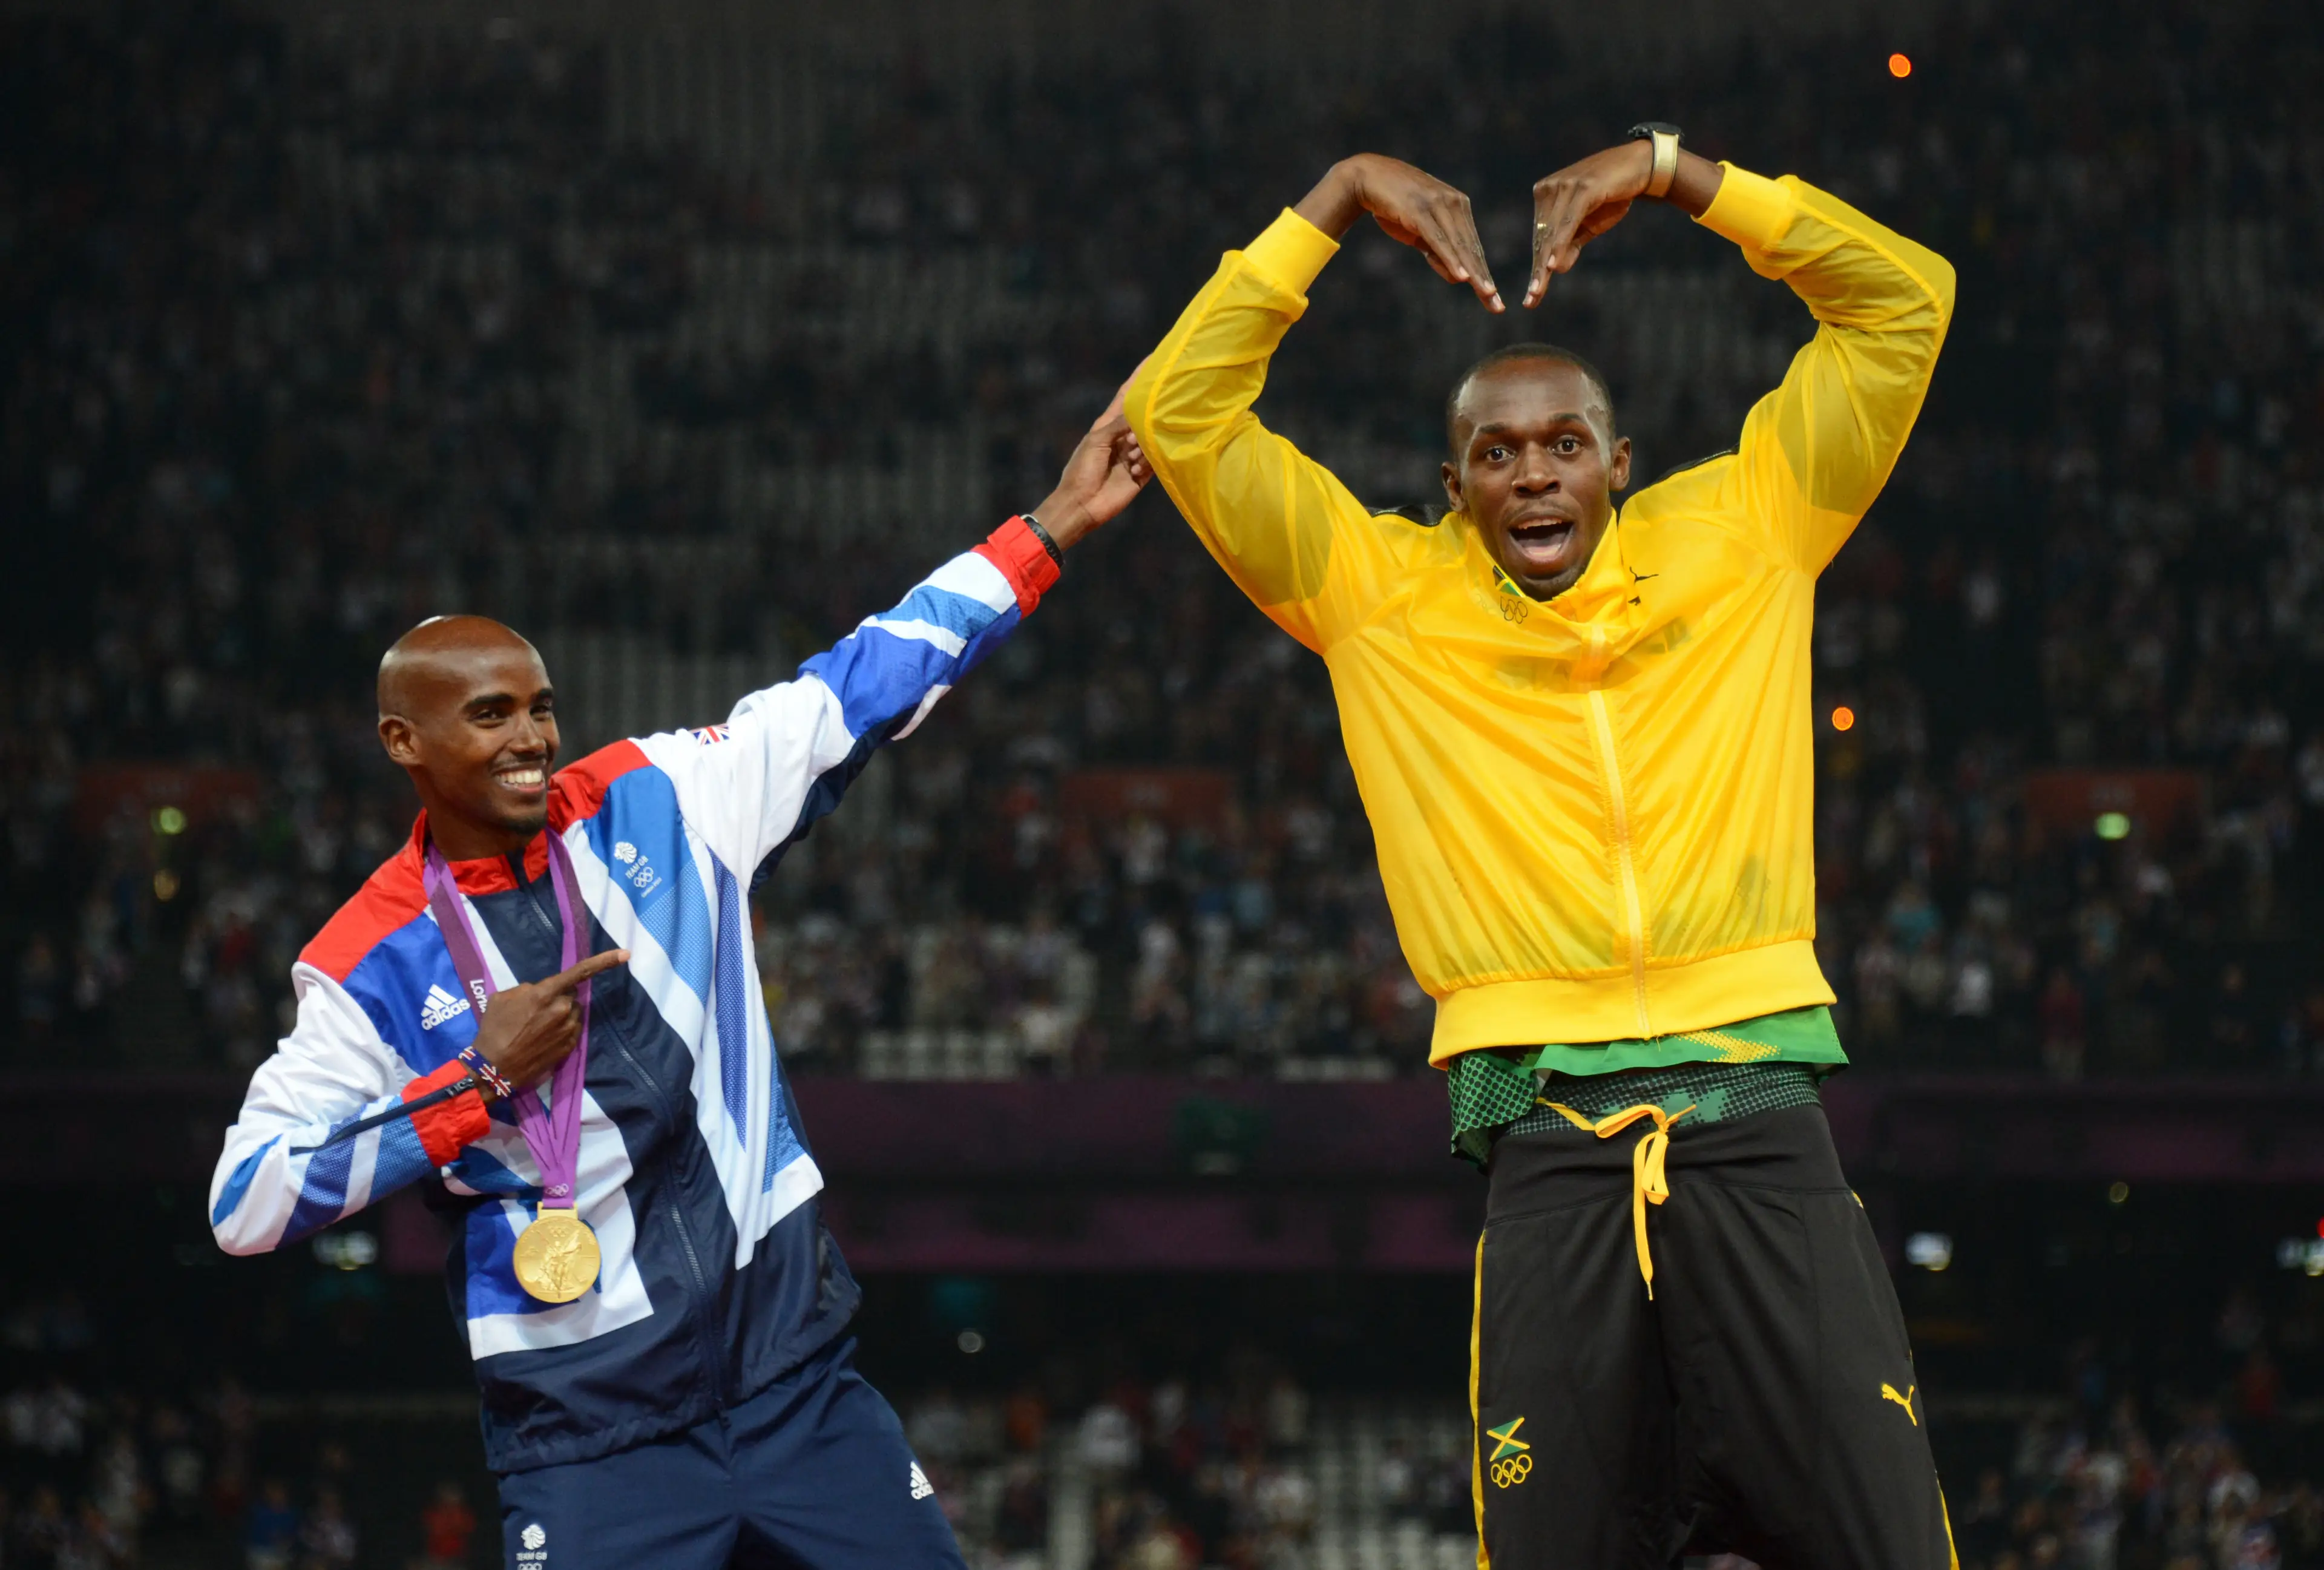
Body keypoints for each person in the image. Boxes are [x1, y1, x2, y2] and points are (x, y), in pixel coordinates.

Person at [1125, 126, 1956, 1566]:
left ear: (1619, 464)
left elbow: (1905, 302)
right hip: (1550, 1144)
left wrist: (1681, 174)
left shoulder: (1752, 527)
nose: (1532, 477)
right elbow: (1179, 416)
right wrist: (1327, 203)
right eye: (1495, 454)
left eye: (1565, 444)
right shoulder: (1377, 592)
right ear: (1454, 486)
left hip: (1758, 1111)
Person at [208, 390, 1152, 1569]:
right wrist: (476, 1084)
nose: (530, 739)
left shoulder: (661, 796)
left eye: (542, 709)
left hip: (798, 1388)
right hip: (588, 1445)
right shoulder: (364, 964)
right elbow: (245, 1200)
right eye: (490, 714)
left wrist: (1049, 529)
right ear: (405, 742)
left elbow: (857, 682)